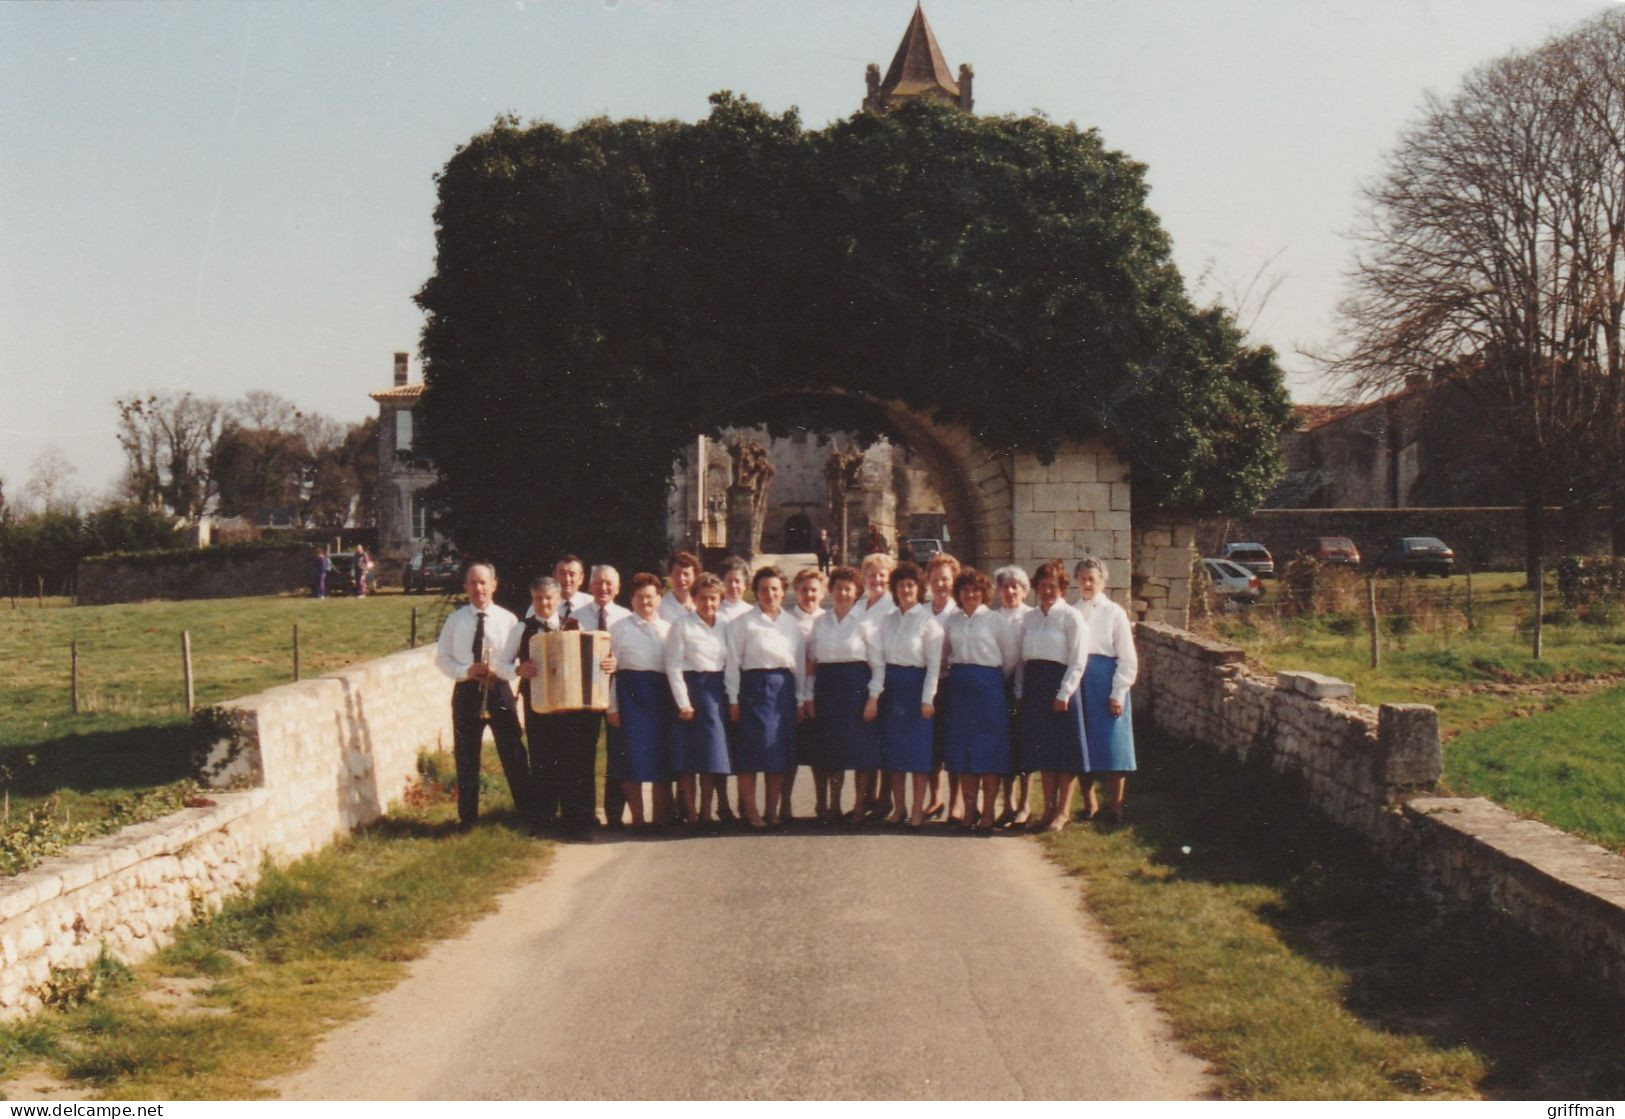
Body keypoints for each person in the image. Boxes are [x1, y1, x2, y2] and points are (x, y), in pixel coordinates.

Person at [433, 562, 532, 832]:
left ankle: (527, 813)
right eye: (473, 583)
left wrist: (501, 671)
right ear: (465, 587)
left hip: (499, 690)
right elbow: (442, 659)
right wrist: (467, 671)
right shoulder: (455, 621)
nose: (479, 588)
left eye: (483, 582)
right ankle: (468, 818)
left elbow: (516, 661)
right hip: (466, 691)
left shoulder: (508, 620)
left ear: (494, 585)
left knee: (513, 751)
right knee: (466, 755)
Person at [502, 576, 598, 836]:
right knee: (542, 760)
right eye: (538, 598)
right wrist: (518, 669)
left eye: (549, 598)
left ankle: (574, 822)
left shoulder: (574, 625)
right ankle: (545, 820)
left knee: (571, 761)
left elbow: (592, 657)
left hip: (569, 705)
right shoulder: (523, 628)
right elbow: (502, 664)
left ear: (558, 600)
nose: (544, 603)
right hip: (538, 703)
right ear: (532, 599)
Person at [725, 565, 806, 829]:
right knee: (750, 756)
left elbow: (800, 665)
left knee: (777, 756)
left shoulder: (791, 624)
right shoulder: (743, 623)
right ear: (755, 592)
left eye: (774, 589)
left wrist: (801, 699)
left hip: (782, 691)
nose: (769, 594)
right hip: (753, 690)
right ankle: (751, 811)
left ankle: (772, 811)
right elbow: (733, 662)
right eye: (763, 589)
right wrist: (733, 698)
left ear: (783, 592)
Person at [805, 565, 883, 824]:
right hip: (827, 690)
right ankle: (833, 805)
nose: (842, 593)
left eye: (848, 588)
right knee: (831, 751)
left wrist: (873, 698)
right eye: (837, 588)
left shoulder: (865, 623)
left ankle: (859, 806)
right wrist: (808, 696)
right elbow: (811, 664)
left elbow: (878, 665)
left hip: (856, 690)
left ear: (857, 592)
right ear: (830, 591)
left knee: (861, 752)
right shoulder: (820, 622)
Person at [942, 568, 1018, 831]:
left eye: (975, 590)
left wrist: (992, 679)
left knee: (989, 751)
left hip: (988, 688)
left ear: (984, 593)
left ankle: (987, 813)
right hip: (960, 687)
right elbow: (945, 653)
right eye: (965, 590)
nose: (970, 594)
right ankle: (969, 811)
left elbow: (1009, 657)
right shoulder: (952, 620)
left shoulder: (995, 620)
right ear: (959, 593)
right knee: (963, 750)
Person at [869, 561, 943, 828]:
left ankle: (916, 810)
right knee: (895, 756)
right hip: (892, 690)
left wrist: (927, 699)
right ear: (894, 589)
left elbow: (934, 667)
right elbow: (878, 661)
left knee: (918, 756)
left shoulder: (929, 623)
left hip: (917, 689)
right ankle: (898, 809)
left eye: (910, 585)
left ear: (919, 588)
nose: (905, 590)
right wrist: (875, 696)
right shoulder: (886, 621)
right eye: (900, 585)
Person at [1016, 560, 1088, 832]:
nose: (1047, 591)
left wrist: (1065, 692)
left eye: (1053, 587)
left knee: (1065, 750)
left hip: (1061, 687)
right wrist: (1021, 691)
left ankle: (1063, 811)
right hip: (1036, 686)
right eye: (1043, 586)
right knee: (1044, 750)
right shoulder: (1030, 618)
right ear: (1036, 588)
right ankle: (1047, 809)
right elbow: (1023, 660)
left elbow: (1078, 660)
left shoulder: (1071, 617)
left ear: (1063, 589)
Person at [1072, 557, 1139, 825]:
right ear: (1077, 580)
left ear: (1102, 582)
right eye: (1083, 579)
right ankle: (1090, 804)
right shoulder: (1072, 611)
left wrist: (1118, 692)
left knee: (1114, 745)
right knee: (1082, 744)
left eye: (1093, 579)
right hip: (1080, 682)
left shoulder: (1114, 612)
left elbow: (1127, 656)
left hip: (1107, 681)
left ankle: (1117, 807)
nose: (1087, 584)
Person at [606, 574, 675, 830]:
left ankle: (659, 818)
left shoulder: (668, 630)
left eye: (650, 596)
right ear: (632, 599)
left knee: (660, 759)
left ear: (658, 599)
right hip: (630, 696)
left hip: (660, 698)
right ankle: (637, 818)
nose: (646, 601)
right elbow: (611, 671)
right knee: (630, 760)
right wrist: (612, 707)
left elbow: (674, 668)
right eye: (640, 597)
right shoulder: (619, 628)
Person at [665, 573, 732, 828]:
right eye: (703, 598)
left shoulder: (725, 625)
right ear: (694, 599)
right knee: (687, 757)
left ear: (720, 600)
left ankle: (707, 812)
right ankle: (691, 813)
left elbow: (731, 662)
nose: (708, 603)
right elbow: (673, 666)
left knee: (710, 756)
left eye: (714, 598)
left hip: (716, 693)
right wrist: (683, 702)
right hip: (690, 691)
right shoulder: (682, 625)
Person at [577, 565, 632, 827]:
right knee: (584, 754)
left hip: (616, 694)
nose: (603, 588)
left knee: (616, 753)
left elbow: (632, 654)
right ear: (589, 586)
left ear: (618, 588)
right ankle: (587, 813)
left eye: (609, 583)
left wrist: (617, 662)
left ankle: (614, 813)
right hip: (584, 693)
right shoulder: (576, 617)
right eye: (598, 583)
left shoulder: (626, 618)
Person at [854, 552, 897, 818]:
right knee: (867, 740)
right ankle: (865, 795)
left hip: (887, 677)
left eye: (882, 574)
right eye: (872, 574)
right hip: (863, 678)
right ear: (864, 578)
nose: (877, 579)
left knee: (886, 739)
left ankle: (885, 797)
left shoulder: (893, 607)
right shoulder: (859, 605)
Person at [993, 565, 1035, 828]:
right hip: (1000, 687)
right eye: (1005, 586)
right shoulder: (993, 617)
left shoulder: (1031, 617)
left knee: (1025, 747)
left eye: (1015, 586)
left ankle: (1024, 805)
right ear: (998, 591)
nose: (1010, 591)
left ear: (1024, 590)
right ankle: (1006, 804)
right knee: (1004, 746)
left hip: (1028, 688)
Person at [788, 567, 827, 823]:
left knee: (820, 754)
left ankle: (822, 803)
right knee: (789, 754)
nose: (809, 595)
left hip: (821, 693)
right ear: (796, 592)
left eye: (813, 590)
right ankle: (784, 804)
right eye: (804, 590)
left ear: (822, 592)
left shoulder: (828, 619)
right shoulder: (787, 620)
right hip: (792, 693)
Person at [924, 553, 961, 823]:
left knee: (954, 742)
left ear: (954, 580)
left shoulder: (960, 613)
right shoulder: (921, 612)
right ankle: (935, 798)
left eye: (945, 579)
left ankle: (956, 802)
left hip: (953, 683)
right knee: (931, 743)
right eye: (935, 579)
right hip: (926, 684)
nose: (940, 584)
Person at [659, 551, 700, 623]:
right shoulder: (661, 606)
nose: (681, 578)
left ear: (695, 576)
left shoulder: (702, 603)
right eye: (677, 573)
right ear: (670, 575)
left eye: (686, 574)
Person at [553, 555, 593, 624]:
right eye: (562, 574)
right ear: (554, 576)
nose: (567, 579)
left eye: (572, 574)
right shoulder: (542, 604)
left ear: (581, 578)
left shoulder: (592, 604)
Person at [716, 556, 753, 623]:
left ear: (745, 584)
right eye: (729, 581)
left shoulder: (752, 612)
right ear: (722, 583)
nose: (733, 585)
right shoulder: (714, 612)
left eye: (737, 581)